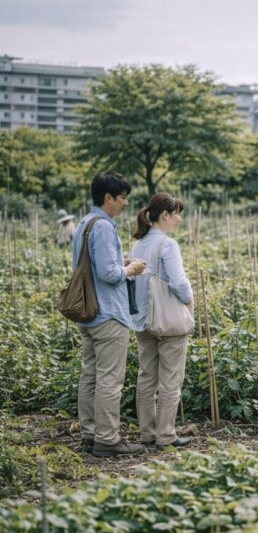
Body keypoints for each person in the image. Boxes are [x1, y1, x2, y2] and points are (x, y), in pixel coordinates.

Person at [72, 171, 147, 457]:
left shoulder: (84, 223)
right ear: (108, 198)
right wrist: (129, 270)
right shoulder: (103, 226)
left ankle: (90, 434)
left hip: (88, 314)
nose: (125, 204)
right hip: (108, 314)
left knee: (90, 376)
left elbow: (93, 266)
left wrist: (121, 261)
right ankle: (107, 439)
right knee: (109, 380)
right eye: (122, 198)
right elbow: (106, 273)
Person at [130, 193, 193, 449]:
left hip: (143, 320)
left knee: (146, 377)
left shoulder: (138, 244)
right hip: (168, 321)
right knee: (170, 379)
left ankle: (147, 433)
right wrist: (189, 299)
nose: (179, 219)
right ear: (165, 215)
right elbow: (178, 282)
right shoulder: (168, 245)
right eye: (176, 213)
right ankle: (166, 435)